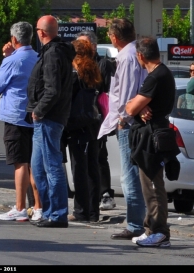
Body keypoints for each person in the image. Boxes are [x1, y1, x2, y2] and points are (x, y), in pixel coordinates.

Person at [98, 18, 147, 240]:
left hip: (128, 122)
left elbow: (127, 92)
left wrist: (122, 119)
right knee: (134, 175)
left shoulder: (126, 57)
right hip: (133, 120)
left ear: (114, 37)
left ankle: (135, 224)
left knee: (129, 176)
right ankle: (138, 222)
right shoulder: (134, 52)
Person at [125, 36, 177, 247]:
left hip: (153, 137)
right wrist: (139, 105)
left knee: (154, 186)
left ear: (140, 56)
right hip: (150, 134)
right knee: (149, 184)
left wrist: (137, 105)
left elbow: (129, 108)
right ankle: (151, 228)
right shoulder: (159, 74)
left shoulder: (156, 76)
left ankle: (160, 231)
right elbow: (134, 105)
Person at [26, 15, 75, 228]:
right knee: (38, 167)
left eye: (37, 29)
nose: (37, 33)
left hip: (49, 118)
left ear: (42, 32)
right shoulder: (52, 52)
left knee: (51, 166)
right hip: (46, 118)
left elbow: (52, 89)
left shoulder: (53, 53)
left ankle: (57, 213)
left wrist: (39, 110)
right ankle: (48, 211)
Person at [0, 21, 42, 222]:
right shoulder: (37, 57)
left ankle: (20, 207)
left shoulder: (13, 60)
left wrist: (6, 58)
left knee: (20, 163)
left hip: (15, 115)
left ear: (14, 39)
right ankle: (38, 207)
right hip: (34, 114)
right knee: (35, 163)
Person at [76, 31, 117, 211]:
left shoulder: (103, 64)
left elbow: (107, 91)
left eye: (84, 45)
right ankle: (90, 197)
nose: (81, 49)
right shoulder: (76, 64)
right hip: (82, 116)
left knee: (99, 156)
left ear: (93, 46)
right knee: (86, 158)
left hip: (98, 115)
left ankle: (105, 193)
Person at [64, 39, 102, 223]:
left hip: (77, 124)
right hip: (93, 123)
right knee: (93, 169)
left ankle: (81, 210)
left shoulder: (75, 73)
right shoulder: (93, 70)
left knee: (79, 169)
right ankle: (93, 211)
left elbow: (67, 97)